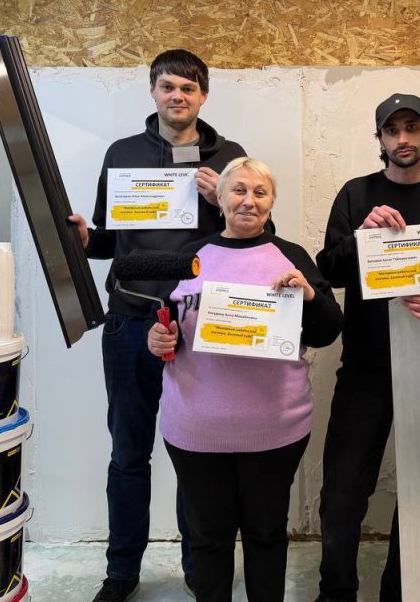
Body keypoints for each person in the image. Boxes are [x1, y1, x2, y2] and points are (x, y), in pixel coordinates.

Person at [68, 49, 250, 602]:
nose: (178, 96)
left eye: (188, 88)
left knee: (198, 456)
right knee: (128, 454)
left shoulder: (230, 157)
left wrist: (220, 199)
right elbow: (109, 241)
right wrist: (85, 239)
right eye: (168, 86)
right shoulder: (122, 154)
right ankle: (121, 573)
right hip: (129, 321)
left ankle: (200, 569)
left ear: (203, 96)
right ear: (152, 91)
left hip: (201, 324)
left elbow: (250, 235)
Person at [146, 157, 343, 602]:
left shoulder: (292, 256)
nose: (248, 201)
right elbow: (162, 328)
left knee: (266, 534)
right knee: (207, 538)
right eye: (238, 190)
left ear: (271, 202)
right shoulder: (188, 258)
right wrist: (156, 339)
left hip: (274, 431)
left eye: (259, 192)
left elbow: (327, 331)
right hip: (196, 430)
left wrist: (309, 296)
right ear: (219, 198)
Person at [314, 93, 420, 602]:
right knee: (342, 492)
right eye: (392, 131)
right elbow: (328, 271)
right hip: (364, 366)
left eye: (412, 128)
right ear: (380, 139)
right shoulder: (356, 194)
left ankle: (401, 593)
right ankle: (335, 592)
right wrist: (360, 236)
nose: (403, 139)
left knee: (417, 492)